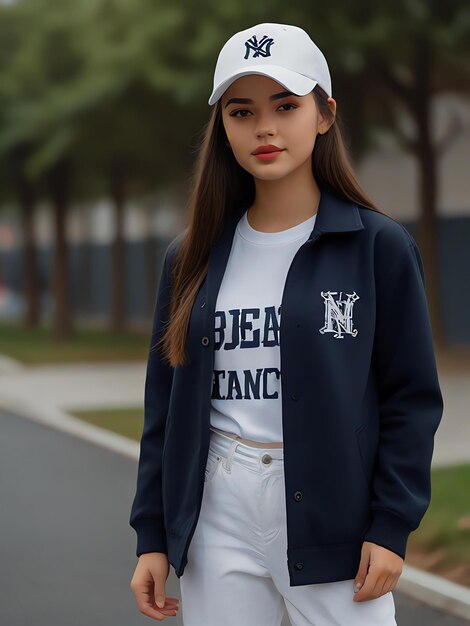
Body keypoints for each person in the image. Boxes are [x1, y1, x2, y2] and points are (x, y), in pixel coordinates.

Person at [129, 22, 444, 625]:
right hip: (218, 507)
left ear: (325, 115)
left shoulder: (376, 247)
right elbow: (163, 408)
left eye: (285, 106)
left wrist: (391, 524)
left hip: (336, 520)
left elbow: (412, 399)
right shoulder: (191, 255)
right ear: (223, 126)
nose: (264, 128)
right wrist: (151, 534)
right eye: (241, 111)